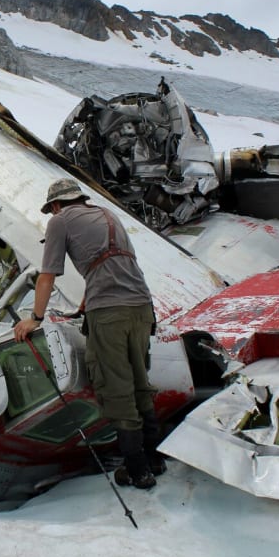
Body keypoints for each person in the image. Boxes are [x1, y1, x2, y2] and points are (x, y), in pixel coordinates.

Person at [13, 178, 164, 489]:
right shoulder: (108, 216)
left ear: (55, 205)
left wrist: (35, 318)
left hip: (111, 314)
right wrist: (86, 301)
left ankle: (137, 471)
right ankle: (155, 459)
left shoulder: (59, 221)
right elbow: (113, 263)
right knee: (139, 382)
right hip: (141, 306)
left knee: (116, 388)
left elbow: (47, 275)